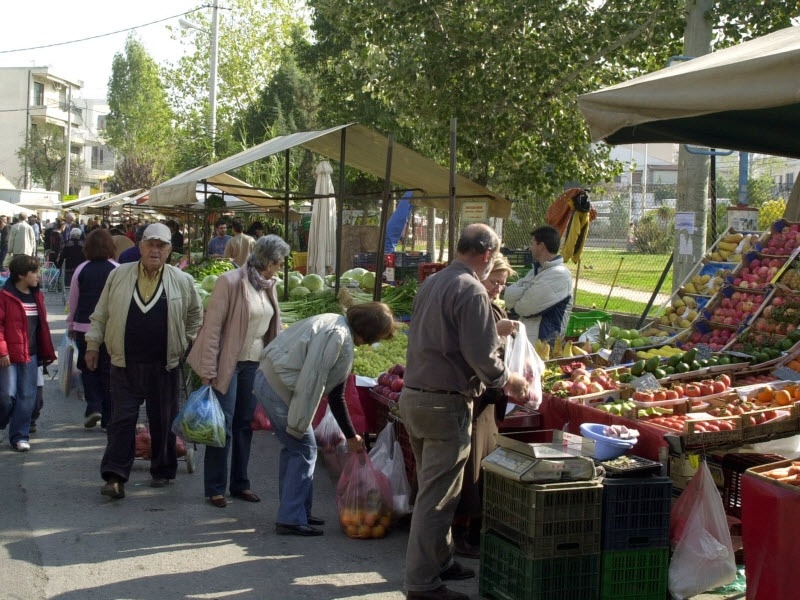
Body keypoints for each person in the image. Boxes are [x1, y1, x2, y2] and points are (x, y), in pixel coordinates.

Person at [400, 223, 528, 600]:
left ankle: (441, 560)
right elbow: (481, 357)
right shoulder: (470, 289)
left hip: (416, 396)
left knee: (439, 489)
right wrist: (509, 380)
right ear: (487, 254)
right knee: (437, 497)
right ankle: (422, 583)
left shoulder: (434, 281)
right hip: (444, 402)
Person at [254, 302, 397, 536]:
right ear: (369, 332)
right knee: (304, 449)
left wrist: (350, 435)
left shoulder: (334, 322)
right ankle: (291, 518)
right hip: (278, 388)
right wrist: (302, 424)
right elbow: (313, 382)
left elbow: (335, 393)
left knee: (295, 449)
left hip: (268, 380)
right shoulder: (338, 337)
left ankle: (298, 511)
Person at [85, 223, 202, 500]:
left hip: (164, 364)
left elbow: (195, 315)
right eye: (150, 244)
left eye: (161, 245)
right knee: (121, 420)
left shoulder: (182, 280)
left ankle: (162, 469)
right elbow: (101, 313)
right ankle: (115, 476)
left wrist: (184, 341)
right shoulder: (119, 275)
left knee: (163, 419)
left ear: (170, 250)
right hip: (124, 363)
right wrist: (92, 344)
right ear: (140, 246)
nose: (155, 250)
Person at [188, 234, 290, 508]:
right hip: (227, 363)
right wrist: (208, 369)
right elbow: (213, 329)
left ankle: (240, 484)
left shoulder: (269, 285)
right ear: (269, 262)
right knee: (222, 425)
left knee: (245, 424)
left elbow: (274, 325)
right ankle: (215, 487)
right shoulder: (230, 282)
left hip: (253, 364)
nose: (281, 268)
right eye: (280, 263)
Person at [451, 254, 518, 559]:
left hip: (489, 401)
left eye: (502, 284)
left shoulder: (494, 306)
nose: (497, 288)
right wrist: (497, 332)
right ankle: (459, 531)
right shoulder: (475, 303)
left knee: (480, 462)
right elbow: (476, 349)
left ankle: (472, 528)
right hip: (475, 397)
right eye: (494, 281)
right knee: (468, 466)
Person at [0, 255, 56, 452]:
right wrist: (2, 351)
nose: (38, 276)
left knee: (27, 396)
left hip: (30, 354)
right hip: (8, 356)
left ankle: (20, 436)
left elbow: (41, 327)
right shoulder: (4, 296)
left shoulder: (37, 295)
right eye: (34, 272)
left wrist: (46, 351)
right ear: (21, 275)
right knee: (6, 396)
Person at [66, 229, 119, 429]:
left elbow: (73, 301)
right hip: (110, 328)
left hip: (83, 326)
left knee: (87, 367)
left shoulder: (81, 269)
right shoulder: (117, 269)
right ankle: (108, 417)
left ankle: (94, 405)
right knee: (108, 370)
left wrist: (71, 324)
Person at [504, 225, 573, 344]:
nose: (529, 248)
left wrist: (524, 291)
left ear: (541, 246)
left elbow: (524, 307)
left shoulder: (559, 274)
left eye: (532, 243)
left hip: (543, 343)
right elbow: (508, 296)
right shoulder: (536, 270)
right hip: (528, 338)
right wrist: (527, 289)